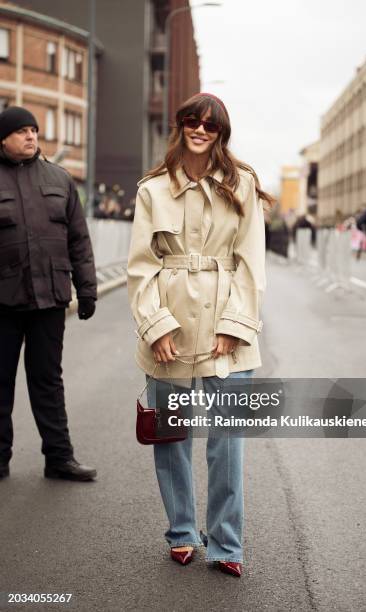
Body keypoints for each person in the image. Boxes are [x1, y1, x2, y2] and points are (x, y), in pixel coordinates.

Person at [127, 92, 272, 577]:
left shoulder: (243, 184)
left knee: (227, 440)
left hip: (226, 321)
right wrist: (155, 326)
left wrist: (234, 326)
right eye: (193, 121)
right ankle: (182, 532)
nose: (201, 130)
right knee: (170, 437)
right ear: (181, 125)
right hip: (170, 323)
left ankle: (227, 544)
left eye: (212, 125)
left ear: (221, 134)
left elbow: (252, 263)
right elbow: (139, 268)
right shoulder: (152, 189)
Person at [0, 106, 97, 481]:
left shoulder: (60, 179)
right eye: (22, 131)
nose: (31, 136)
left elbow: (79, 240)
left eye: (34, 130)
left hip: (49, 299)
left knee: (48, 382)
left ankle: (60, 458)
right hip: (3, 301)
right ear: (4, 138)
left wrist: (86, 290)